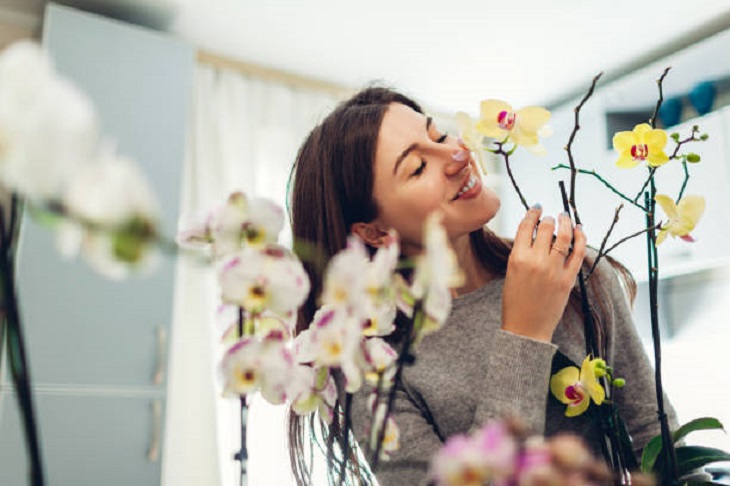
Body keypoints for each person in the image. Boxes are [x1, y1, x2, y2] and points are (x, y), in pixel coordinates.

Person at [287, 86, 673, 485]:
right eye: (418, 167)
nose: (457, 156)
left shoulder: (571, 270)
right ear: (374, 231)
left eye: (439, 136)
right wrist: (525, 334)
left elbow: (661, 443)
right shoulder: (369, 367)